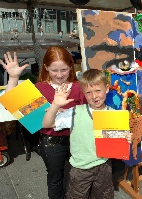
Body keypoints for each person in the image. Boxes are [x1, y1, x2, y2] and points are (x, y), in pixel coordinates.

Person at [0, 47, 87, 199]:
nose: (59, 75)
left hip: (78, 139)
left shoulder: (79, 87)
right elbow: (11, 104)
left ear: (71, 67)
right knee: (55, 178)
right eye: (54, 70)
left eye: (64, 70)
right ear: (46, 67)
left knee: (80, 175)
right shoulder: (40, 88)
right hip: (52, 142)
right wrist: (13, 77)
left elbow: (91, 112)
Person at [42, 69, 133, 199]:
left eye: (98, 91)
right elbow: (47, 124)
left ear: (107, 89)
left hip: (104, 165)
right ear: (83, 93)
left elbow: (120, 139)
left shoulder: (113, 114)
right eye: (88, 93)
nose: (94, 96)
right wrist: (55, 106)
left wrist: (126, 138)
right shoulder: (75, 112)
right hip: (80, 168)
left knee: (104, 196)